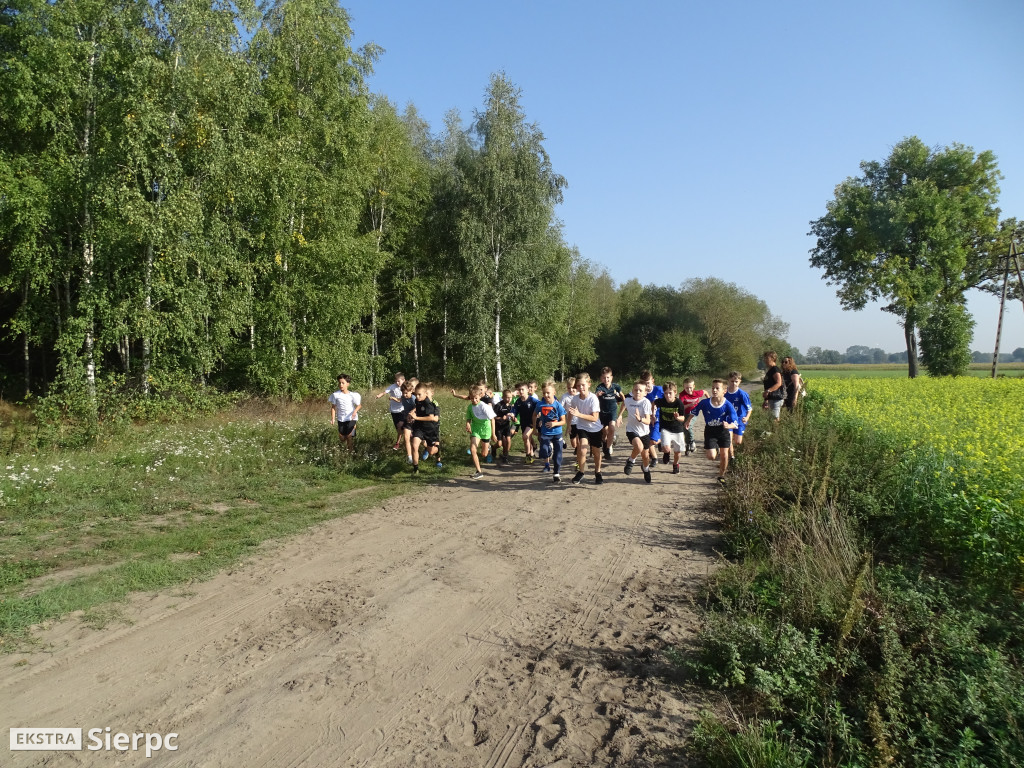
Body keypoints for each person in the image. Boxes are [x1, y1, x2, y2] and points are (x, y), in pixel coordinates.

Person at [683, 379, 739, 486]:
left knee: (725, 456)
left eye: (717, 388)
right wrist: (688, 421)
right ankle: (715, 449)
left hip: (723, 430)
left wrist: (729, 425)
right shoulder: (705, 403)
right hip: (710, 431)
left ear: (724, 391)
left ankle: (721, 476)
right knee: (711, 456)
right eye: (713, 388)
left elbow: (735, 422)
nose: (714, 390)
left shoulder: (727, 405)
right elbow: (694, 411)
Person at [567, 372, 605, 485]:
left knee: (596, 452)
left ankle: (598, 472)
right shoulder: (575, 399)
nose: (581, 388)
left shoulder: (593, 398)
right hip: (582, 427)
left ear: (589, 384)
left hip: (595, 429)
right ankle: (581, 472)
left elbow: (594, 418)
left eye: (583, 385)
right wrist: (568, 425)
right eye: (578, 386)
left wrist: (579, 415)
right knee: (582, 449)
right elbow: (571, 412)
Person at [620, 381, 654, 483]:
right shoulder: (628, 400)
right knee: (639, 446)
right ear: (632, 391)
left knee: (645, 456)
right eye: (636, 390)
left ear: (645, 393)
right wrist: (620, 415)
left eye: (640, 390)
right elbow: (623, 404)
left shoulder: (646, 403)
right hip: (631, 430)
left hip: (644, 432)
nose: (638, 392)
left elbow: (648, 421)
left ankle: (646, 469)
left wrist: (640, 419)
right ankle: (631, 461)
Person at [534, 382, 567, 482]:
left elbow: (563, 421)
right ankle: (549, 449)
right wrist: (535, 427)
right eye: (544, 393)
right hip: (545, 433)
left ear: (554, 392)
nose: (546, 395)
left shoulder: (558, 406)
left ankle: (556, 473)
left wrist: (554, 424)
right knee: (543, 451)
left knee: (558, 454)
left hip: (557, 433)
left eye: (548, 393)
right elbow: (534, 415)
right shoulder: (540, 404)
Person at [407, 382, 441, 474]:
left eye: (419, 394)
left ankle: (438, 448)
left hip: (430, 429)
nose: (417, 396)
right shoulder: (417, 401)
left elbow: (431, 417)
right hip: (419, 428)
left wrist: (416, 417)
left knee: (431, 452)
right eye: (416, 394)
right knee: (414, 445)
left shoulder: (429, 404)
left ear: (425, 393)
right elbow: (417, 411)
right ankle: (415, 469)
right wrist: (411, 416)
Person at [654, 381, 687, 474]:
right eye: (666, 393)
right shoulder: (661, 401)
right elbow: (653, 403)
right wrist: (652, 414)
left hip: (677, 429)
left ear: (675, 392)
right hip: (665, 428)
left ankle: (676, 464)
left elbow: (683, 418)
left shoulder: (679, 403)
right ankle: (666, 452)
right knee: (666, 448)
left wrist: (677, 417)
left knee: (678, 451)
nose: (668, 395)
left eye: (670, 393)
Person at [465, 385, 496, 480]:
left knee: (484, 454)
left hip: (486, 430)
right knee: (473, 449)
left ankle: (488, 448)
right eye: (472, 398)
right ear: (469, 397)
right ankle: (479, 471)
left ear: (480, 397)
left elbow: (492, 420)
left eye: (476, 398)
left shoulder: (484, 406)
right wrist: (468, 424)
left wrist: (493, 434)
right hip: (476, 430)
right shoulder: (470, 407)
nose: (474, 400)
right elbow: (468, 418)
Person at [595, 367, 625, 460]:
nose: (606, 379)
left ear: (611, 377)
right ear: (601, 378)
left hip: (612, 412)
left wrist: (622, 411)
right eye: (604, 378)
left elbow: (623, 396)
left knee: (611, 428)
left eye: (608, 377)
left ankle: (607, 450)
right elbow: (594, 398)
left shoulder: (616, 387)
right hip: (602, 412)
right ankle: (605, 443)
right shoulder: (600, 387)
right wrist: (597, 395)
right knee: (604, 432)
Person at [723, 371, 752, 461]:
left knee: (738, 441)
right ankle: (732, 457)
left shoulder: (742, 394)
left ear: (740, 381)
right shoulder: (725, 393)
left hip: (739, 419)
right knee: (729, 438)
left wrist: (746, 417)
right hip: (728, 419)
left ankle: (732, 451)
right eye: (732, 381)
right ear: (728, 381)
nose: (734, 383)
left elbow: (749, 408)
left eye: (736, 381)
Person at [329, 374, 361, 451]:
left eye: (343, 383)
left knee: (349, 436)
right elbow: (333, 407)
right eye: (339, 383)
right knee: (342, 438)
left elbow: (359, 405)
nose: (341, 385)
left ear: (348, 384)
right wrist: (333, 418)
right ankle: (347, 448)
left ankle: (350, 452)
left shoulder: (353, 395)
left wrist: (355, 411)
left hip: (351, 418)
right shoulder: (335, 395)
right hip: (341, 418)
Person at [375, 372, 406, 450]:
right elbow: (385, 392)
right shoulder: (392, 387)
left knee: (400, 427)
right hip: (393, 411)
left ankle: (398, 443)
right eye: (396, 381)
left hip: (402, 410)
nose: (398, 383)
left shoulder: (405, 388)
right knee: (398, 429)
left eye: (399, 381)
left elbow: (400, 400)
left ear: (404, 380)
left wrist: (393, 398)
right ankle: (401, 442)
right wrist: (379, 395)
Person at [678, 378, 708, 456]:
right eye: (686, 388)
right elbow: (680, 407)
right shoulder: (682, 395)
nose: (688, 389)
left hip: (694, 413)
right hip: (684, 413)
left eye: (690, 387)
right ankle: (688, 445)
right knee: (685, 429)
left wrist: (709, 401)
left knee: (689, 426)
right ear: (683, 387)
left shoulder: (697, 393)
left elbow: (705, 392)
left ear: (694, 386)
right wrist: (688, 405)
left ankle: (692, 442)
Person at [640, 371, 664, 467]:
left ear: (653, 381)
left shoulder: (659, 389)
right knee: (648, 440)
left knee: (652, 441)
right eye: (644, 384)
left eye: (648, 383)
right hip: (646, 419)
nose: (647, 386)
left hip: (658, 418)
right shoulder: (642, 392)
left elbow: (668, 399)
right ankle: (654, 458)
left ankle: (663, 438)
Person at [515, 382, 540, 464]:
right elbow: (514, 410)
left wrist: (540, 413)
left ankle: (528, 455)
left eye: (523, 389)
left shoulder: (532, 400)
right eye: (519, 390)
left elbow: (540, 405)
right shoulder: (518, 401)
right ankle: (531, 455)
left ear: (527, 390)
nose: (521, 391)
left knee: (525, 436)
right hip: (523, 423)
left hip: (532, 422)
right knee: (527, 439)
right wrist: (512, 415)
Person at [492, 387, 516, 465]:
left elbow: (513, 418)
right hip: (499, 426)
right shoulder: (498, 405)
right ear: (503, 397)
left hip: (506, 426)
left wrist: (513, 418)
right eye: (507, 397)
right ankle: (493, 448)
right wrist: (502, 418)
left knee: (508, 440)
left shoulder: (511, 406)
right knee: (499, 444)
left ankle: (505, 455)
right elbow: (493, 417)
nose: (509, 399)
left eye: (510, 397)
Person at [397, 380, 418, 464]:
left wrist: (412, 412)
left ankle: (428, 449)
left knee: (417, 440)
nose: (405, 395)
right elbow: (401, 402)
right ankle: (409, 457)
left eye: (406, 393)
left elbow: (418, 406)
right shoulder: (403, 398)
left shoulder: (414, 398)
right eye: (403, 393)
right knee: (406, 437)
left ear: (411, 391)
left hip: (415, 420)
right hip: (407, 419)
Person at [761, 351, 786, 422]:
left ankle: (775, 432)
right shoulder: (770, 370)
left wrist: (768, 391)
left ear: (773, 358)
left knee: (774, 419)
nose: (765, 360)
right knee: (771, 418)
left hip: (776, 398)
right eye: (764, 358)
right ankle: (773, 431)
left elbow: (779, 383)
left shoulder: (775, 369)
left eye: (767, 358)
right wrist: (766, 400)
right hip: (772, 398)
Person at [560, 377, 577, 454]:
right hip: (571, 422)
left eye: (573, 388)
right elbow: (560, 407)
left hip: (581, 421)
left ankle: (579, 451)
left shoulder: (580, 395)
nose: (571, 390)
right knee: (573, 443)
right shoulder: (565, 397)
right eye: (569, 388)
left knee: (581, 440)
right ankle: (576, 448)